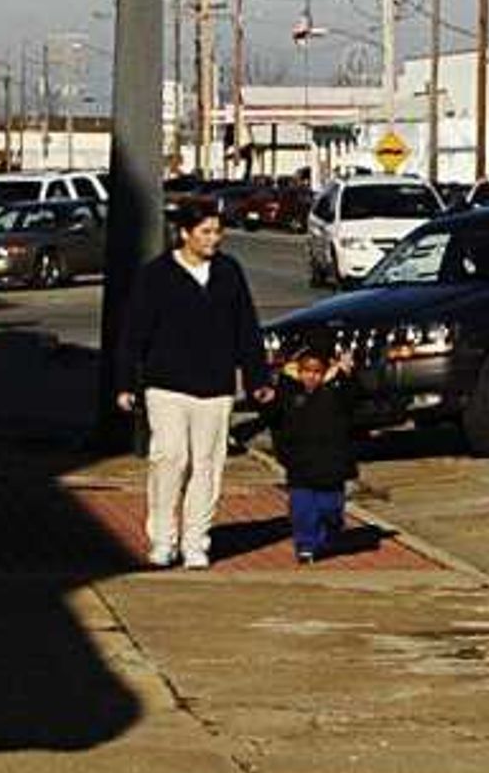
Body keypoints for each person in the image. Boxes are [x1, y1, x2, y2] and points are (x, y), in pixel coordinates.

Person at [116, 198, 269, 569]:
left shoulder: (229, 272)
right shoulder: (156, 275)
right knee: (170, 457)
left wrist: (256, 377)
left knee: (207, 465)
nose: (213, 239)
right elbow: (135, 332)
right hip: (166, 385)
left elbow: (246, 328)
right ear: (184, 234)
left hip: (215, 387)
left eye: (218, 232)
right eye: (205, 232)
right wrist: (126, 384)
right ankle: (163, 539)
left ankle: (196, 542)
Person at [262, 333, 360, 565]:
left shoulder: (336, 391)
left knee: (330, 509)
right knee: (302, 510)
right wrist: (267, 396)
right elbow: (272, 415)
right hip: (300, 464)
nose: (311, 377)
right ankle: (306, 545)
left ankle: (330, 532)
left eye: (317, 372)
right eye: (306, 371)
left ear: (326, 372)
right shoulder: (288, 391)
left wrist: (345, 375)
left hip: (332, 464)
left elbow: (353, 400)